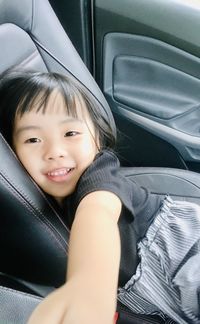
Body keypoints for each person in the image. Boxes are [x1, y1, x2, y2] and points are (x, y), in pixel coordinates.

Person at [0, 69, 199, 324]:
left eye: (70, 133)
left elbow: (98, 211)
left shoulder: (99, 171)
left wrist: (88, 284)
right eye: (33, 139)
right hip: (150, 297)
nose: (55, 151)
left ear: (96, 139)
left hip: (179, 249)